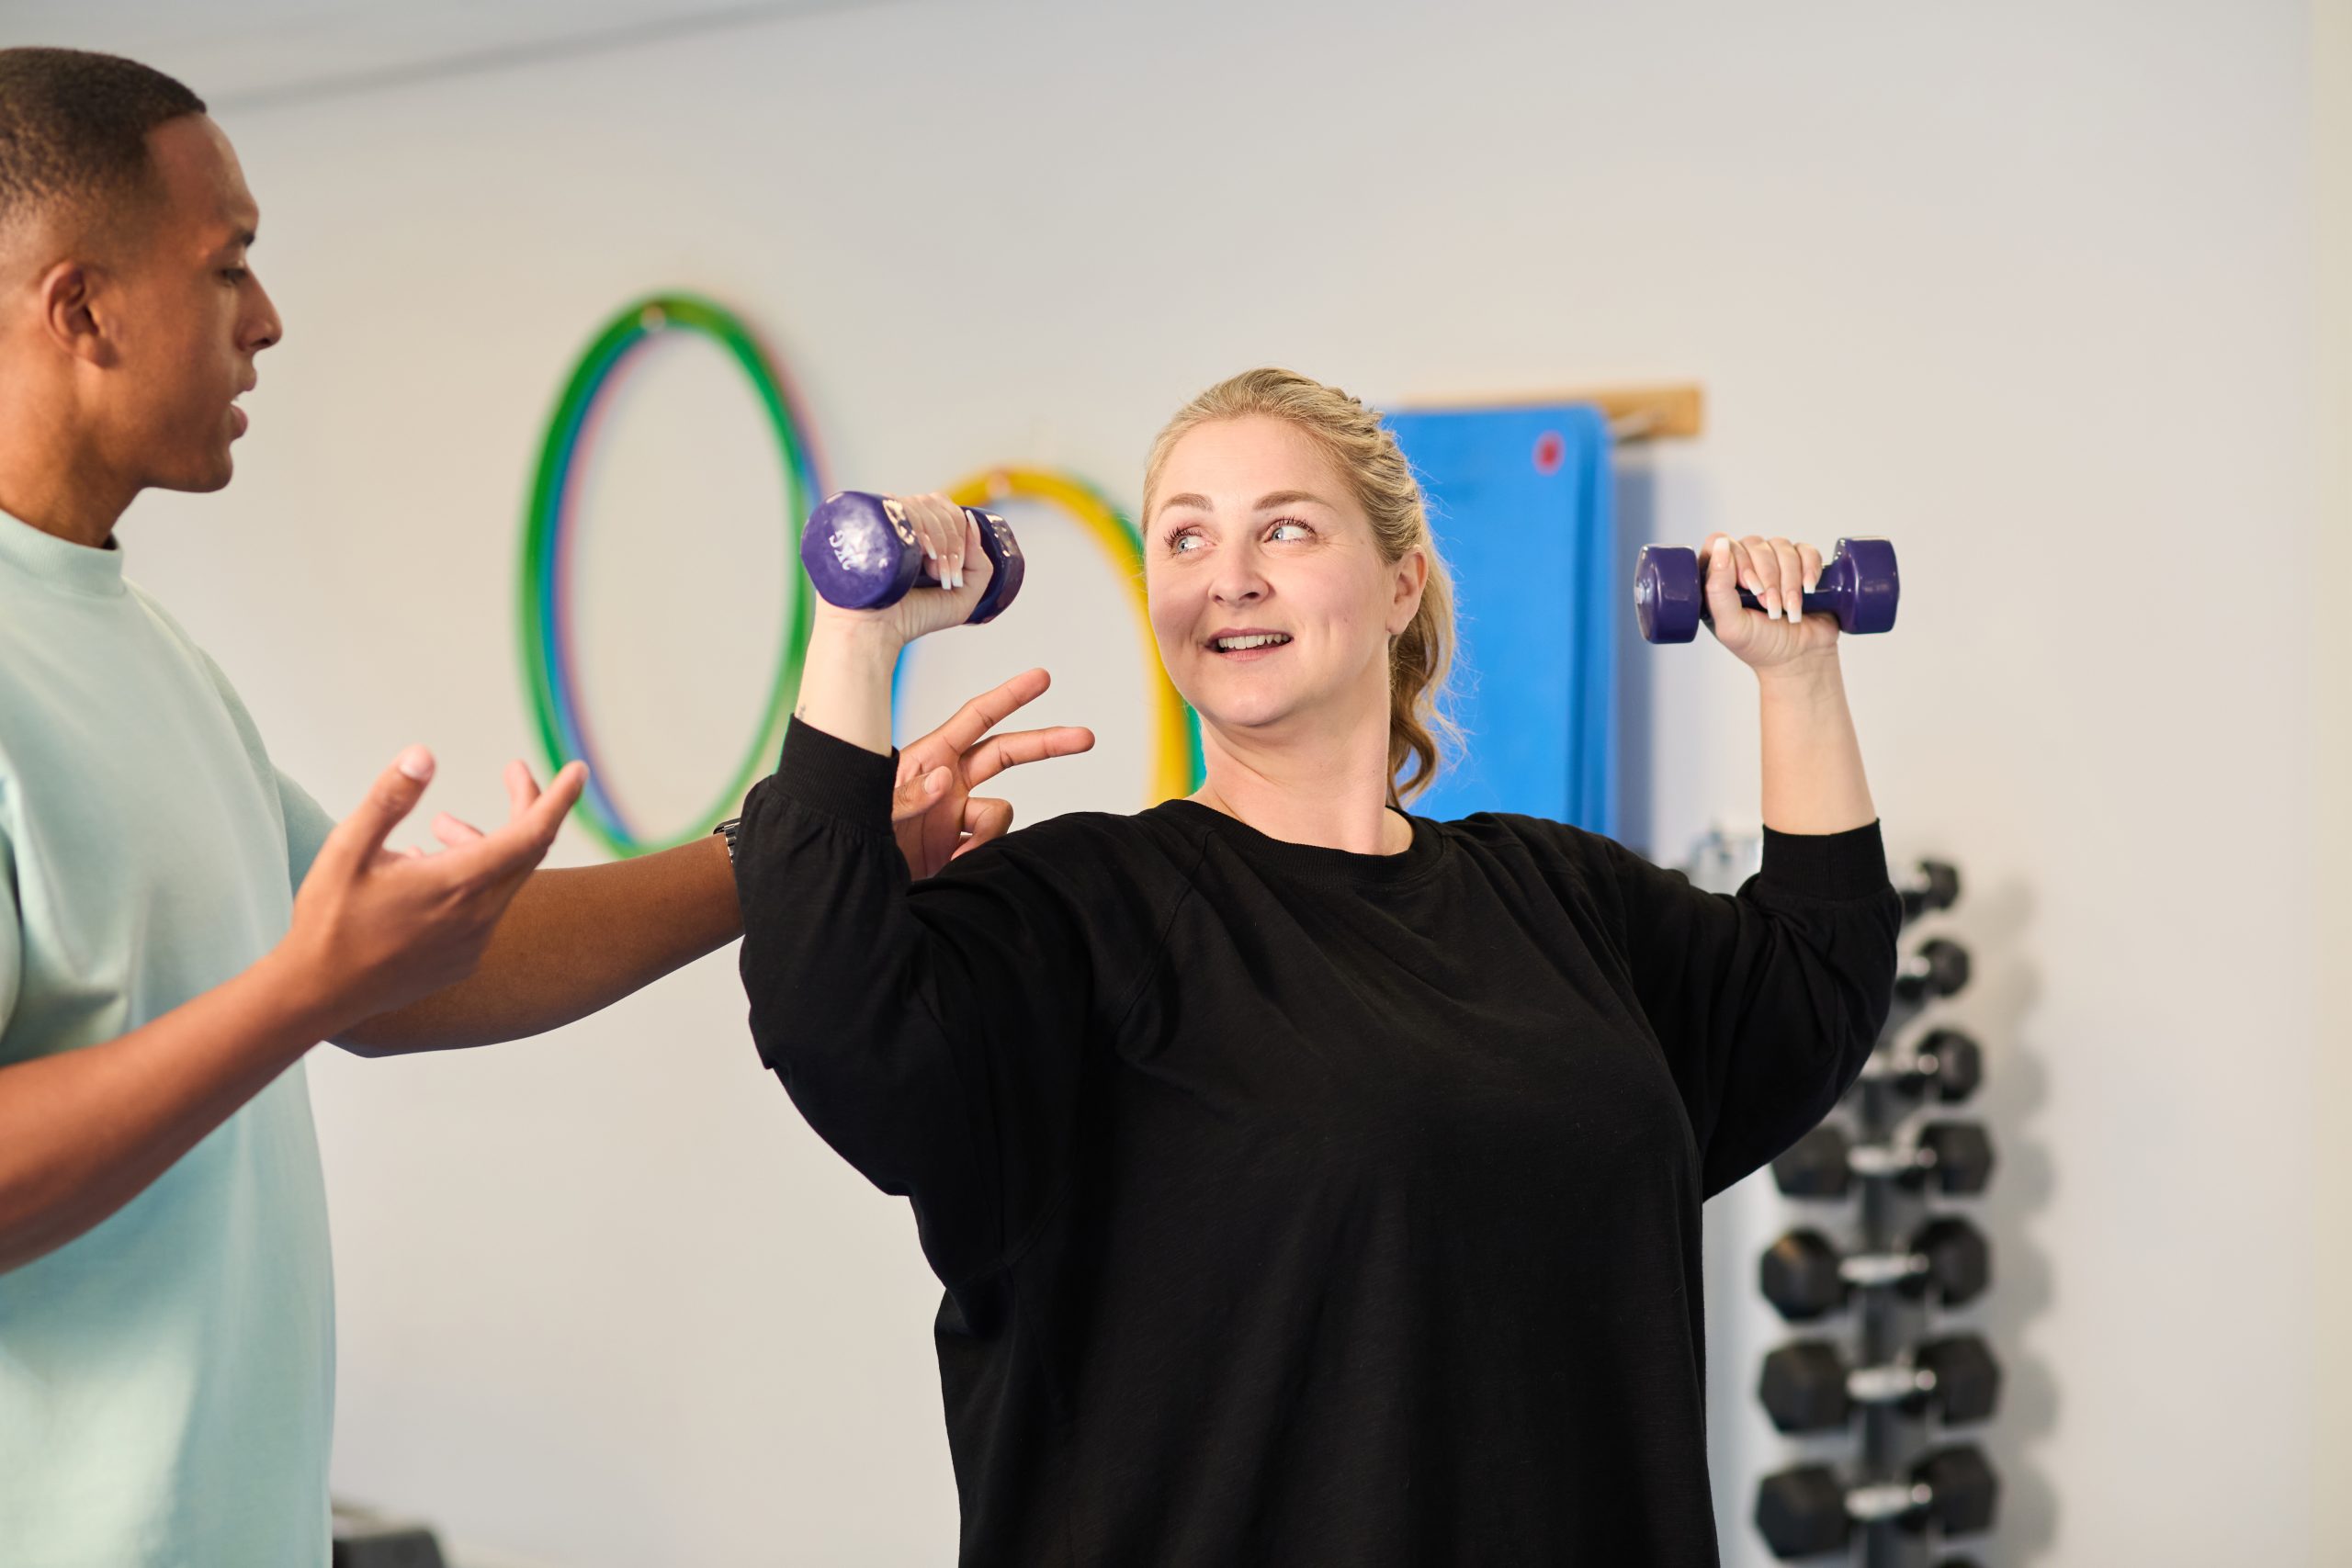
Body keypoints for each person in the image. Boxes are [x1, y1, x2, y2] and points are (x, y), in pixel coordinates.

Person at [0, 47, 1089, 1566]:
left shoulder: (141, 651)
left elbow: (425, 972)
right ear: (80, 307)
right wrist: (300, 993)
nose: (267, 318)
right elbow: (318, 995)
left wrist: (799, 849)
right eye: (229, 265)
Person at [734, 367, 1904, 1564]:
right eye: (1185, 537)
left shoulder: (1564, 901)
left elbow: (1813, 986)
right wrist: (858, 633)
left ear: (1401, 585)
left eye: (1283, 527)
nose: (1229, 575)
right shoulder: (1082, 915)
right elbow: (839, 1020)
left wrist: (1800, 671)